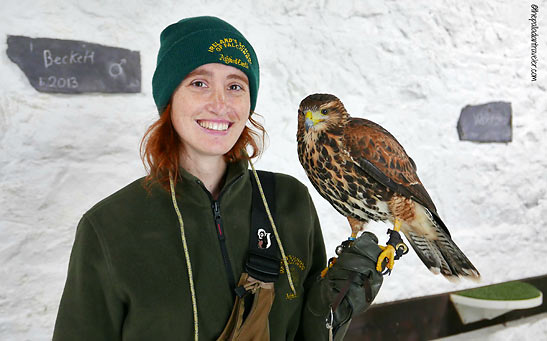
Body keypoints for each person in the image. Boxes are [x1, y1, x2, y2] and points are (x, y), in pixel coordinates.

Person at [52, 16, 384, 340]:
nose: (220, 103)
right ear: (169, 99)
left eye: (235, 85)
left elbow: (305, 332)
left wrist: (328, 312)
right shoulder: (109, 226)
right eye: (199, 83)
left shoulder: (287, 200)